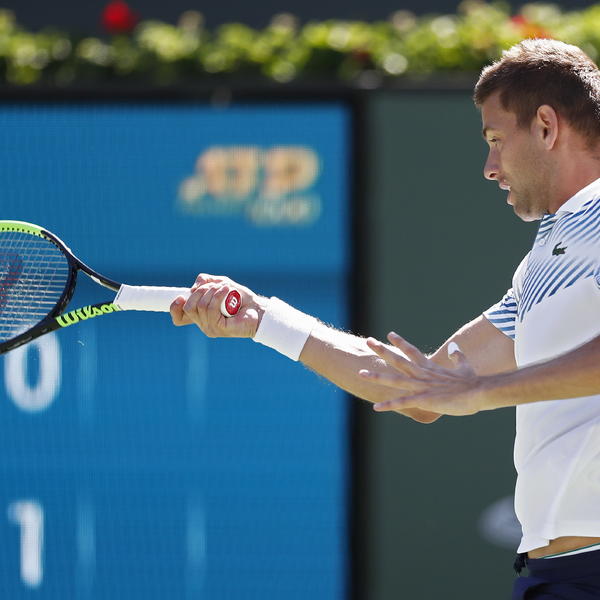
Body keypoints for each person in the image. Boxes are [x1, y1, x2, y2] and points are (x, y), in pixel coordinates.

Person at [171, 39, 600, 599]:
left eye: (496, 140)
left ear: (546, 126)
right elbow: (420, 390)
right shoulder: (547, 255)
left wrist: (482, 392)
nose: (490, 168)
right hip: (556, 575)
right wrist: (263, 319)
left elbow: (465, 390)